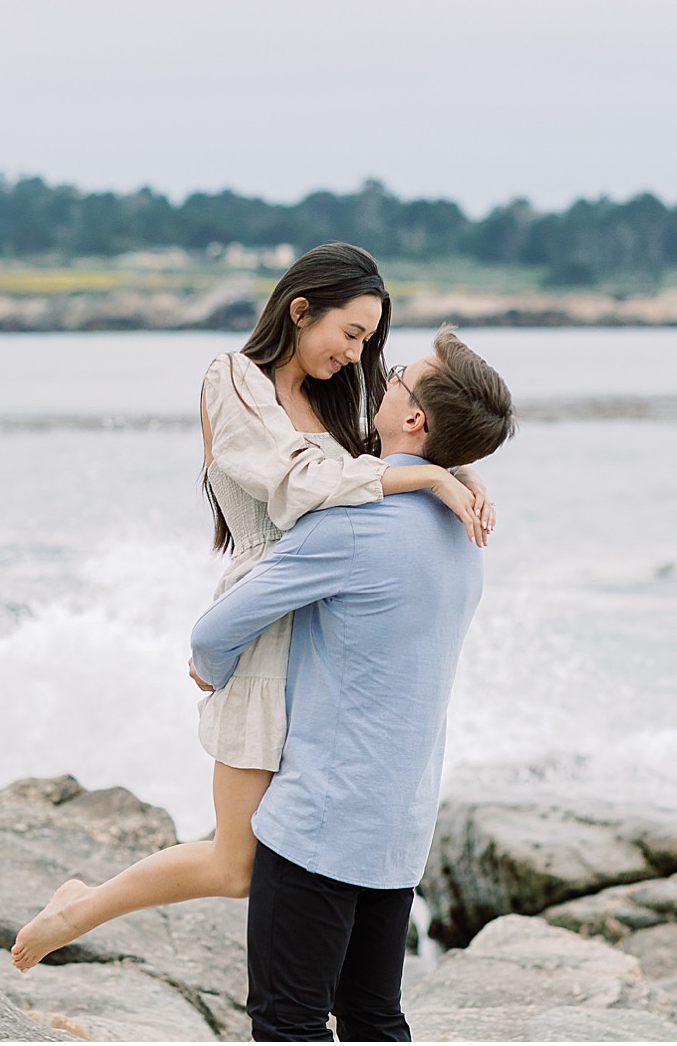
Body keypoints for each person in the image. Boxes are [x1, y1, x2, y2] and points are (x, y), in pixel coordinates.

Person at [11, 243, 493, 971]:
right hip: (263, 627)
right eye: (351, 334)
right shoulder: (233, 379)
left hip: (322, 643)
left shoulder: (338, 401)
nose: (358, 354)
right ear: (301, 309)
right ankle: (77, 908)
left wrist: (455, 471)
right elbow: (298, 482)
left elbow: (378, 466)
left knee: (288, 851)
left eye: (369, 341)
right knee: (237, 865)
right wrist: (429, 478)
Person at [188, 325, 516, 1041]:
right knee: (374, 1016)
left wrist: (212, 672)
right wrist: (452, 472)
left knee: (289, 1022)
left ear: (414, 419)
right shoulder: (463, 531)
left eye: (397, 372)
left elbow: (212, 634)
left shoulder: (352, 527)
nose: (383, 377)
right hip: (399, 826)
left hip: (318, 824)